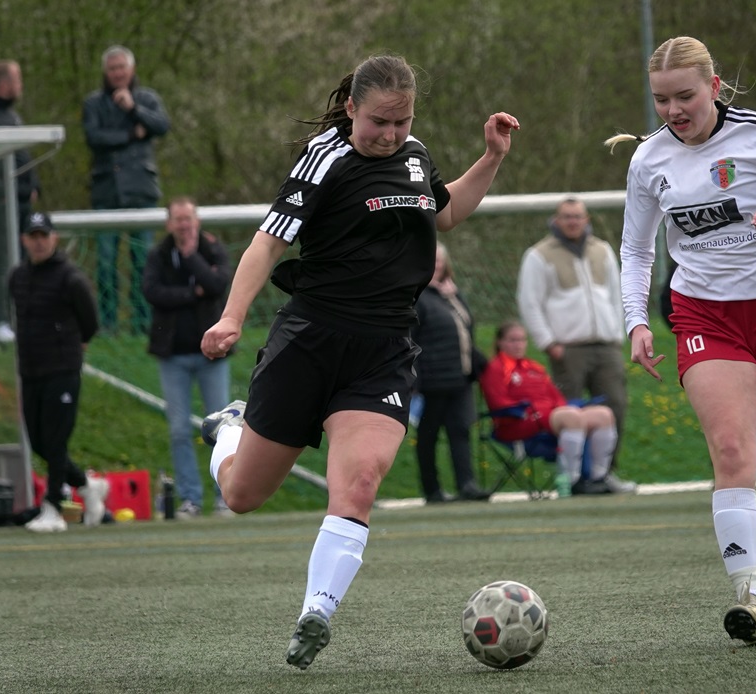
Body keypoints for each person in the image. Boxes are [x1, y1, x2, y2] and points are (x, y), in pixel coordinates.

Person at [198, 54, 518, 670]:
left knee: (361, 482)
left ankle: (316, 613)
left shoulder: (416, 156)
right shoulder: (325, 157)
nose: (391, 135)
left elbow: (447, 212)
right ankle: (230, 430)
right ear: (351, 108)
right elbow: (268, 241)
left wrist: (491, 157)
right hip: (309, 343)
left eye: (402, 122)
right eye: (379, 122)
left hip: (384, 351)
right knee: (242, 494)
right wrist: (232, 317)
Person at [606, 36, 756, 646]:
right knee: (732, 450)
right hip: (705, 315)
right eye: (661, 99)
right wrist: (636, 321)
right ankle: (749, 597)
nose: (673, 111)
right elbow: (636, 249)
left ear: (714, 88)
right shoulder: (649, 160)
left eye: (685, 96)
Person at [516, 197, 635, 494]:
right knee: (570, 412)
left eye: (578, 216)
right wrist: (548, 342)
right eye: (567, 216)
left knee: (615, 405)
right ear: (556, 220)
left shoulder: (602, 250)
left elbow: (616, 294)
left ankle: (604, 473)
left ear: (586, 219)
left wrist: (618, 333)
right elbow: (529, 302)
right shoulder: (539, 255)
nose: (573, 222)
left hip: (606, 345)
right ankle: (573, 477)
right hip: (567, 348)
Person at [8, 212, 109, 533]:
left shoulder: (70, 278)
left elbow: (90, 322)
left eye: (44, 236)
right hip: (30, 370)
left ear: (54, 238)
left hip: (62, 369)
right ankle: (87, 486)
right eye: (33, 236)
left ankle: (53, 507)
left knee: (55, 440)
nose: (38, 242)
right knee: (39, 441)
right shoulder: (17, 277)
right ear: (25, 240)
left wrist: (73, 345)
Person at [142, 197, 233, 519]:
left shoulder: (212, 249)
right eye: (178, 219)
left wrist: (192, 258)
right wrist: (192, 293)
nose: (184, 225)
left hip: (213, 355)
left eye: (188, 218)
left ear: (197, 220)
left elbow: (218, 284)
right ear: (169, 223)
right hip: (173, 356)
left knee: (223, 428)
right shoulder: (158, 255)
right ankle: (190, 498)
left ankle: (226, 496)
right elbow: (152, 292)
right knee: (179, 430)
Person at [82, 45, 170, 334]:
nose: (117, 73)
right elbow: (94, 138)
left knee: (143, 261)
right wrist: (132, 134)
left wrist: (133, 109)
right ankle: (108, 325)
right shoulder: (93, 103)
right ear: (105, 72)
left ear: (131, 70)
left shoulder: (147, 98)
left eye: (121, 67)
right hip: (106, 192)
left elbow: (162, 125)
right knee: (105, 262)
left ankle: (142, 324)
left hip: (141, 191)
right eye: (112, 68)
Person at [478, 321, 619, 497]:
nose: (518, 345)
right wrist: (531, 411)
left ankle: (598, 477)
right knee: (571, 417)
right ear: (500, 342)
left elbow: (557, 398)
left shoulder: (533, 367)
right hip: (518, 422)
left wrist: (566, 409)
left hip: (548, 418)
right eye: (512, 340)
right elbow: (498, 403)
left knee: (604, 415)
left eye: (522, 340)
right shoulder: (496, 368)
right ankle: (571, 480)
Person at [411, 243, 490, 503]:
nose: (435, 266)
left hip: (460, 377)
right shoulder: (417, 296)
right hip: (433, 380)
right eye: (430, 260)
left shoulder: (451, 294)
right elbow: (411, 338)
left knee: (461, 430)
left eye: (439, 261)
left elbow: (466, 328)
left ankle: (467, 484)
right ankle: (432, 489)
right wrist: (415, 378)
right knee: (429, 435)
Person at [0, 59, 41, 344]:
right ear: (3, 84)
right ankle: (1, 319)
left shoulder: (12, 116)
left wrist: (34, 186)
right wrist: (3, 192)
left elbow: (23, 157)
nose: (20, 86)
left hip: (21, 203)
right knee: (3, 261)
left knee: (25, 261)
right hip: (2, 204)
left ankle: (20, 317)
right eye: (17, 79)